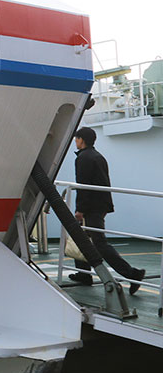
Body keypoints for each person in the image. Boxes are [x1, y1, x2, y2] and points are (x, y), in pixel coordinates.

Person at [69, 126, 146, 295]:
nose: (75, 141)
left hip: (91, 207)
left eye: (76, 138)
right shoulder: (97, 156)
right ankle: (84, 274)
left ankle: (132, 273)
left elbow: (84, 186)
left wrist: (80, 209)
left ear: (82, 140)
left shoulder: (84, 158)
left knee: (99, 243)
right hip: (100, 204)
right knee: (81, 237)